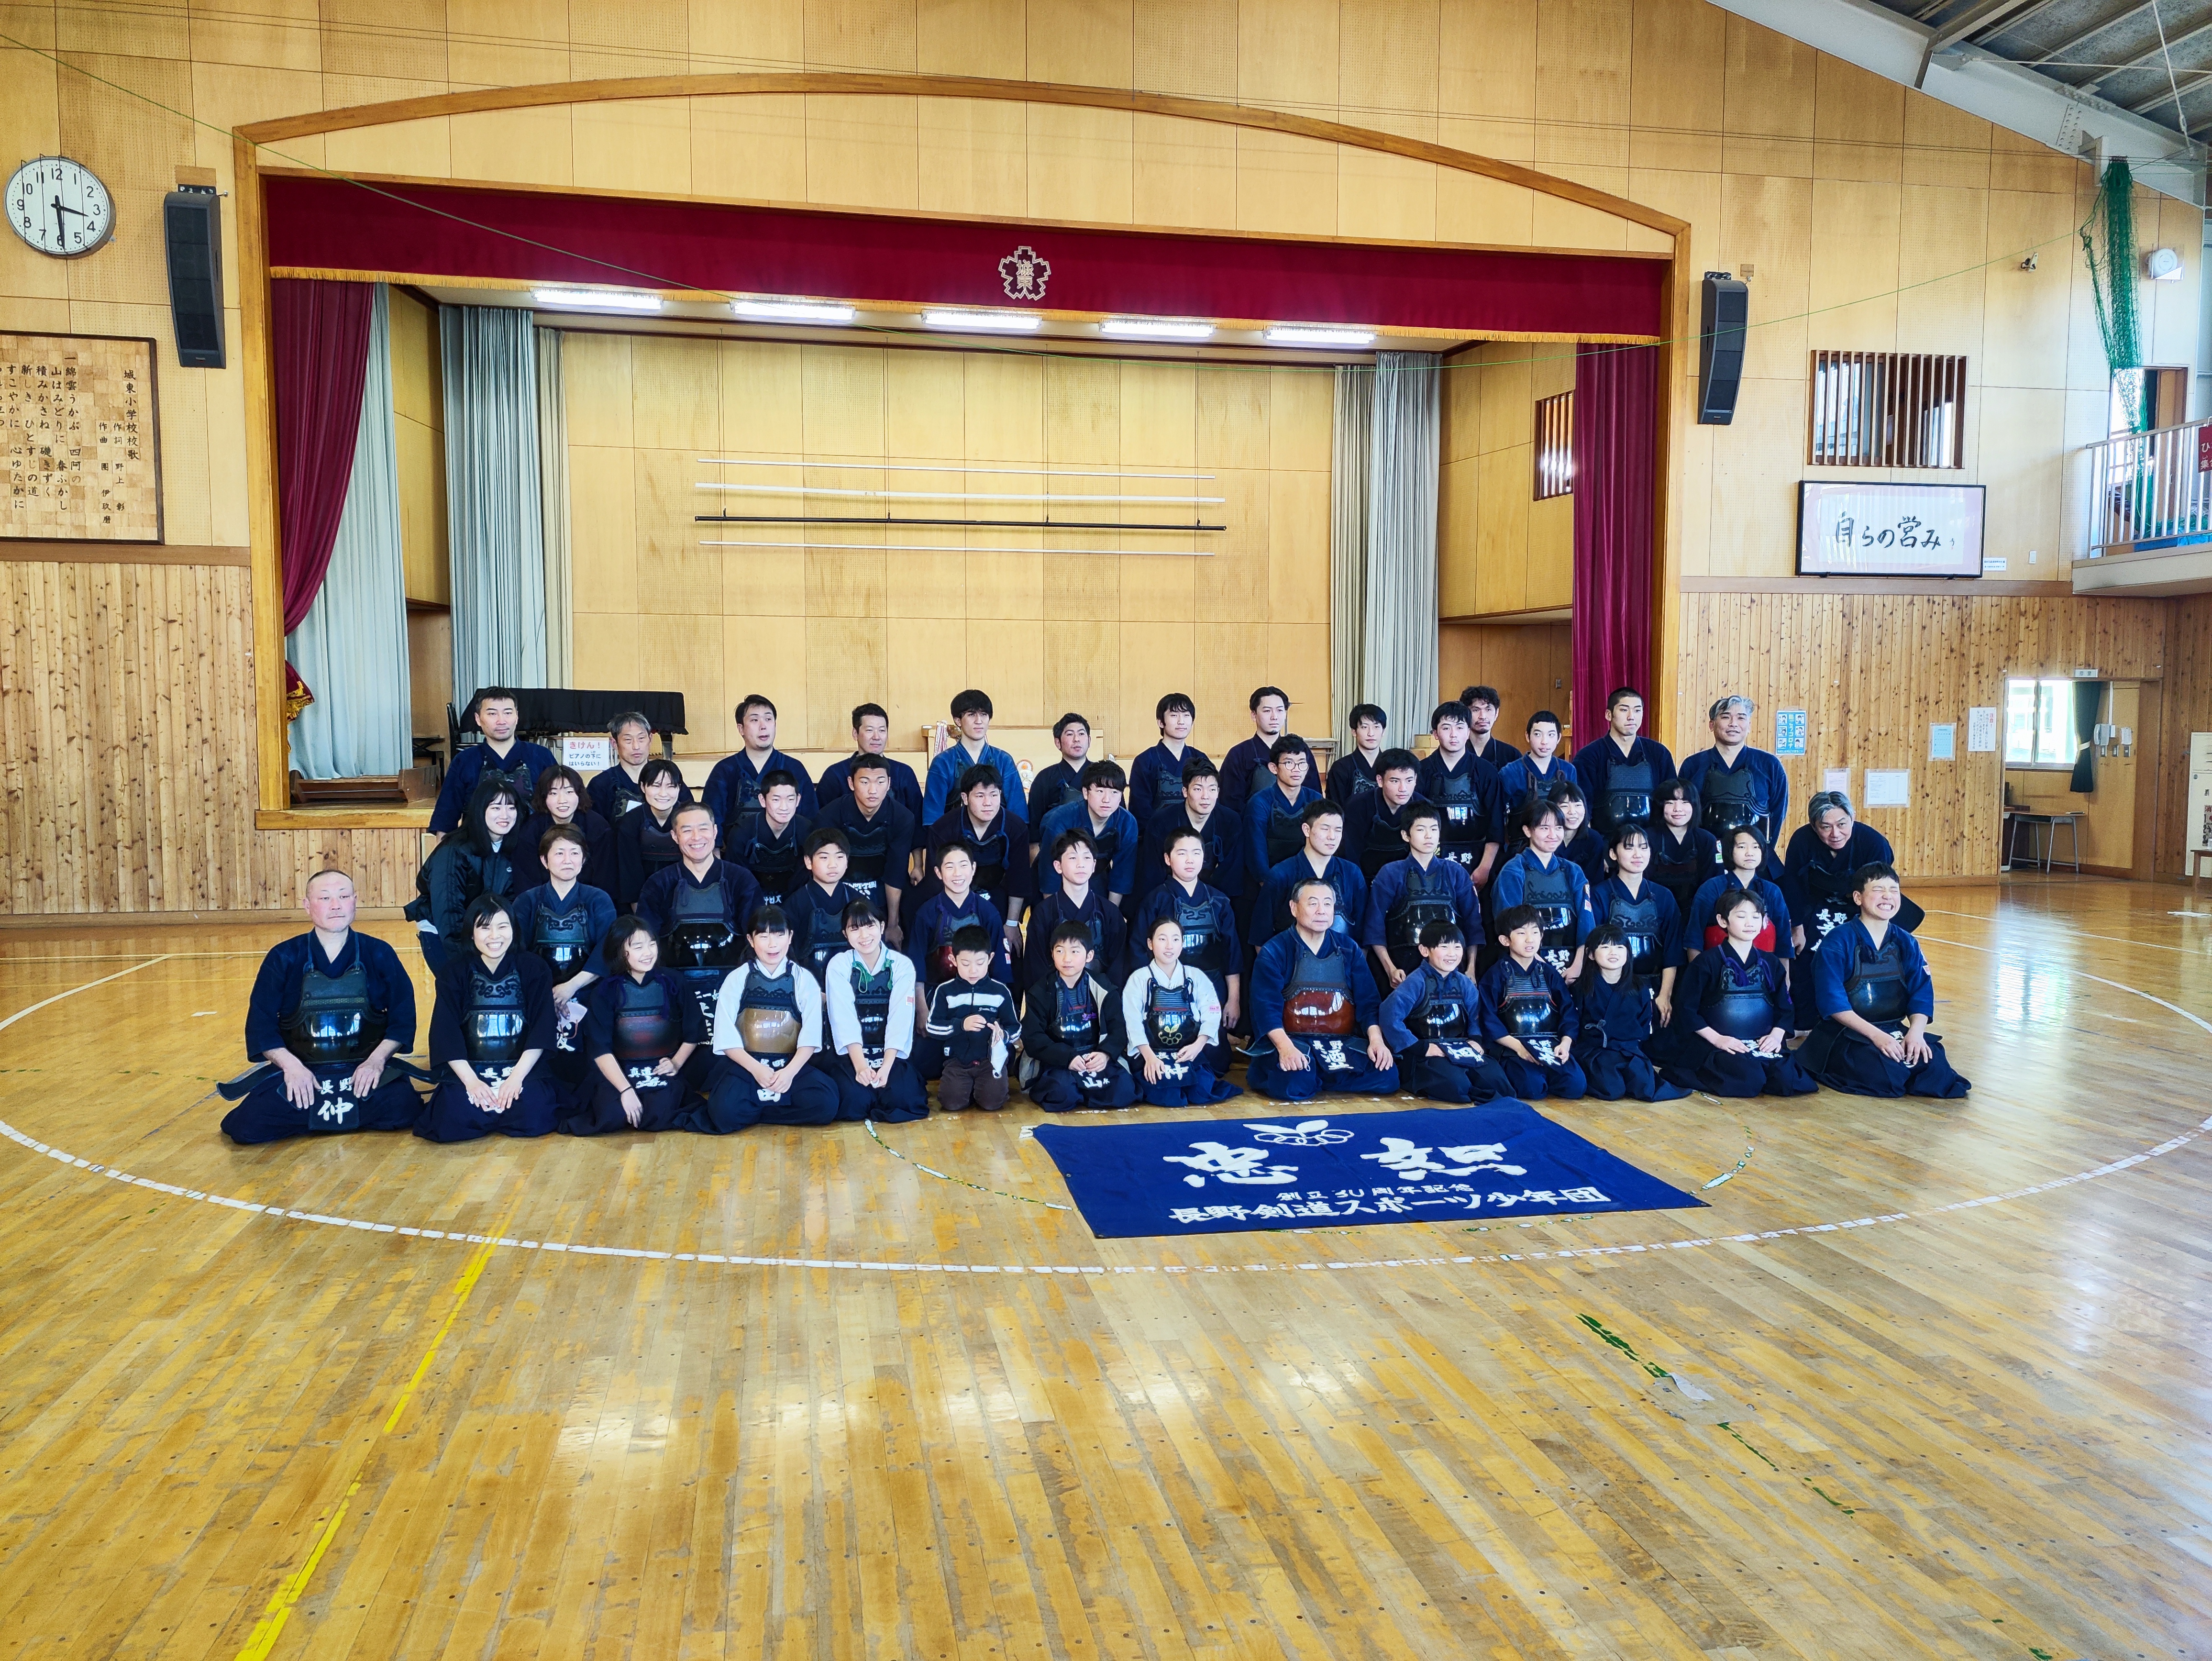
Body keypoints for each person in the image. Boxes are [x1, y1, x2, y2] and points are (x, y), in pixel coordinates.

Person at [220, 868, 423, 1144]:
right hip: (304, 1073)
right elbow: (261, 1025)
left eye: (344, 896)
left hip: (362, 1072)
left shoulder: (380, 952)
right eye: (325, 898)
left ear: (355, 900)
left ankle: (311, 1118)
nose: (336, 905)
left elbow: (403, 1020)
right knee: (248, 1127)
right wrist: (291, 1068)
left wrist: (376, 1062)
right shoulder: (283, 957)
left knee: (404, 1109)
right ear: (307, 905)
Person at [1799, 864, 1970, 1098]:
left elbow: (1921, 992)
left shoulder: (1906, 941)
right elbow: (1834, 1003)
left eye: (1894, 890)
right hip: (1847, 1034)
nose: (1888, 896)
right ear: (1858, 898)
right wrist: (1877, 1037)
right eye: (1878, 889)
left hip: (1892, 1029)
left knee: (1936, 1069)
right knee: (1887, 1075)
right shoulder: (1837, 942)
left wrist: (1916, 1034)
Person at [676, 905, 841, 1131]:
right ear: (751, 941)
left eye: (779, 935)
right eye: (764, 937)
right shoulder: (737, 979)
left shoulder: (803, 979)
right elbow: (727, 1039)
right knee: (723, 1112)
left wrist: (789, 1073)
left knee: (826, 1103)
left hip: (789, 1065)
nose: (772, 945)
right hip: (747, 1066)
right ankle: (771, 1108)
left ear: (790, 937)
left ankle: (757, 1111)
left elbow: (810, 1038)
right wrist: (757, 1070)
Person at [416, 894, 561, 1141]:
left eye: (503, 926)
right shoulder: (454, 972)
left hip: (522, 1069)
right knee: (453, 1118)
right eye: (485, 928)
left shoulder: (534, 968)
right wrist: (472, 1083)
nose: (495, 936)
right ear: (471, 933)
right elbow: (446, 1031)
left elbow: (542, 1027)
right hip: (471, 1069)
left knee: (533, 1115)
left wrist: (515, 1079)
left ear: (514, 930)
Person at [1246, 879, 1400, 1101]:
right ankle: (1321, 1077)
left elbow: (1369, 1002)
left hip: (1338, 1044)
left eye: (1328, 904)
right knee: (1293, 1083)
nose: (1322, 911)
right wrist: (1286, 1048)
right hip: (1293, 1040)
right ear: (1294, 908)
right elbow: (1265, 1008)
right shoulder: (1275, 950)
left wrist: (1377, 1041)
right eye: (1313, 904)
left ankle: (1318, 1076)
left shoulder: (1349, 949)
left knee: (1388, 1075)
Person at [1782, 791, 1921, 1030]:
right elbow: (1793, 886)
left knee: (1864, 955)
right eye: (1825, 827)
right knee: (1803, 953)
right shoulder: (1802, 841)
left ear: (1853, 818)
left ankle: (1867, 1017)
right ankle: (1805, 1022)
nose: (1835, 834)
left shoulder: (1873, 843)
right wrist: (1797, 928)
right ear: (1814, 826)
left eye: (1842, 824)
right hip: (1816, 903)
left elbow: (1880, 889)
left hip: (1860, 907)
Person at [1661, 889, 1816, 1098]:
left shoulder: (1771, 963)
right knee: (1749, 1080)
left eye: (1756, 917)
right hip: (1718, 1042)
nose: (1750, 923)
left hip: (1760, 1040)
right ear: (1723, 921)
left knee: (1790, 1082)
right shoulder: (1706, 963)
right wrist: (1718, 1040)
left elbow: (1785, 1007)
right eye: (1741, 916)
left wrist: (1777, 1035)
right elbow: (1686, 1010)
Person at [562, 916, 708, 1135]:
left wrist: (676, 1064)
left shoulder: (674, 982)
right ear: (621, 951)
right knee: (613, 1114)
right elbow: (600, 1049)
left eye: (651, 944)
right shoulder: (604, 992)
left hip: (660, 1067)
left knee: (658, 1114)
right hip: (619, 1070)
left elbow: (693, 1031)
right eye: (638, 947)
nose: (648, 952)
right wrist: (626, 1090)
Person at [508, 823, 617, 1111]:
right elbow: (518, 953)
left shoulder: (598, 899)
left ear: (584, 859)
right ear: (544, 861)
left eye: (574, 853)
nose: (568, 860)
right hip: (541, 994)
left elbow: (608, 948)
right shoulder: (527, 901)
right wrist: (547, 993)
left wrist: (572, 987)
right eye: (559, 854)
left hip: (588, 989)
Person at [634, 803, 763, 1026]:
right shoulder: (659, 883)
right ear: (675, 836)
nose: (696, 838)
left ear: (715, 831)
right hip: (675, 987)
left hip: (732, 986)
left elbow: (759, 937)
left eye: (703, 829)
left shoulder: (741, 880)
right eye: (687, 831)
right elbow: (645, 942)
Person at [1379, 920, 1515, 1105]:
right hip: (1427, 1053)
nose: (1452, 954)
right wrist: (1423, 1048)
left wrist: (1475, 1039)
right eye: (1444, 947)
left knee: (1500, 1085)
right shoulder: (1416, 982)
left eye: (1458, 947)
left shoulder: (1464, 982)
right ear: (1425, 951)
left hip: (1460, 1048)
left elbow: (1477, 1015)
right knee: (1457, 1086)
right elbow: (1390, 1017)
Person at [1124, 828, 1241, 1036]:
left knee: (1217, 1060)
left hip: (1211, 989)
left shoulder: (1220, 901)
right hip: (1164, 992)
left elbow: (1232, 954)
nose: (1190, 860)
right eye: (1182, 853)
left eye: (1196, 853)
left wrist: (1234, 999)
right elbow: (1138, 952)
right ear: (1168, 859)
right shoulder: (1155, 900)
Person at [821, 901, 929, 1122]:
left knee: (903, 1099)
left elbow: (901, 1019)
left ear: (882, 927)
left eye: (870, 926)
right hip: (853, 1056)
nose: (864, 935)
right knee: (853, 1101)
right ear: (845, 934)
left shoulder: (901, 965)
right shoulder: (839, 965)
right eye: (855, 928)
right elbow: (843, 1018)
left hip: (891, 1054)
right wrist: (861, 1067)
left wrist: (886, 1068)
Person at [1022, 921, 1139, 1110]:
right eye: (1060, 951)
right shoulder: (1041, 991)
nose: (1067, 958)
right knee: (1061, 1093)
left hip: (1094, 1058)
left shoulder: (1104, 988)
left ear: (1089, 956)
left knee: (1124, 1089)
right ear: (1052, 954)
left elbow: (1119, 1029)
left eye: (1075, 951)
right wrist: (1068, 1058)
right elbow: (1033, 1038)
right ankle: (1081, 1093)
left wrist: (1105, 1054)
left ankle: (1084, 1093)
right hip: (1059, 1062)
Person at [1362, 803, 1482, 988]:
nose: (1429, 836)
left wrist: (1471, 968)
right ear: (1405, 835)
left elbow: (1473, 923)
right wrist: (1390, 969)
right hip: (1404, 966)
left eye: (1434, 829)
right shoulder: (1391, 873)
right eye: (1421, 829)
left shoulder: (1456, 872)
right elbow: (1374, 926)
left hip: (1452, 967)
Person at [1122, 915, 1239, 1106]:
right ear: (1150, 944)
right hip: (1151, 1053)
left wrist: (1197, 1046)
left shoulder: (1196, 977)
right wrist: (1150, 1057)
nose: (1170, 946)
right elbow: (1132, 1022)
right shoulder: (1139, 979)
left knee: (1201, 1092)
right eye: (1162, 939)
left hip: (1187, 1051)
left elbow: (1212, 1014)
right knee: (1168, 1096)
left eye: (1176, 939)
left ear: (1182, 944)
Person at [407, 778, 519, 973]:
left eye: (511, 807)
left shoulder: (512, 848)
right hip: (444, 935)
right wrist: (469, 963)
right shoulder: (453, 851)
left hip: (487, 935)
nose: (505, 815)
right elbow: (449, 914)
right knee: (458, 993)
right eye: (496, 808)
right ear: (479, 811)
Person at [917, 765, 1029, 956]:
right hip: (953, 899)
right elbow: (935, 881)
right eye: (980, 796)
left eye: (994, 795)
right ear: (965, 798)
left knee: (1010, 952)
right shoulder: (944, 829)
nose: (988, 803)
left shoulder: (1015, 827)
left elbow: (1019, 878)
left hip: (997, 894)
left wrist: (1011, 924)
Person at [1477, 905, 1585, 1099]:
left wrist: (1566, 1043)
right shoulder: (1496, 975)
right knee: (1533, 1088)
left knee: (1575, 1086)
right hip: (1514, 1049)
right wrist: (1519, 1047)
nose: (1530, 939)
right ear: (1505, 940)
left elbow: (1568, 1011)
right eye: (1521, 933)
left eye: (1535, 932)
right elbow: (1488, 1018)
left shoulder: (1549, 974)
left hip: (1549, 1047)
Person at [1573, 925, 1689, 1102]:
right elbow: (1575, 1022)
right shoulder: (1583, 987)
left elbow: (1644, 1024)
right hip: (1596, 1052)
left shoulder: (1639, 987)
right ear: (1591, 954)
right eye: (1605, 947)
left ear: (1628, 952)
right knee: (1612, 1090)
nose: (1614, 952)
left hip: (1627, 1050)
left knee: (1645, 1086)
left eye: (1620, 947)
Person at [1487, 798, 1596, 981]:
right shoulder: (1513, 871)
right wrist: (1541, 967)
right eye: (1545, 828)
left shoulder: (1573, 871)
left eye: (1559, 828)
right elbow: (1507, 925)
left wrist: (1578, 965)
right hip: (1526, 964)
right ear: (1527, 831)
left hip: (1572, 965)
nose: (1553, 835)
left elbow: (1587, 922)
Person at [427, 687, 558, 836]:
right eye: (492, 714)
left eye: (508, 713)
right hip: (477, 852)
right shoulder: (464, 761)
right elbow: (446, 817)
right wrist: (444, 857)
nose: (501, 721)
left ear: (517, 717)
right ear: (478, 719)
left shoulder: (541, 756)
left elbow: (559, 806)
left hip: (531, 849)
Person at [1587, 822, 1683, 1023]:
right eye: (1629, 847)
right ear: (1613, 854)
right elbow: (1593, 949)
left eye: (1643, 847)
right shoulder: (1599, 895)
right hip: (1609, 985)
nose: (1637, 854)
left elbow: (1672, 952)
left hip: (1654, 985)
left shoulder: (1664, 897)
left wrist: (1664, 995)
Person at [814, 754, 915, 943]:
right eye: (865, 782)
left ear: (889, 783)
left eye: (880, 782)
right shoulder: (829, 816)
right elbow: (824, 869)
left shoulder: (902, 817)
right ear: (851, 783)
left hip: (882, 885)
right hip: (840, 887)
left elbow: (896, 871)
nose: (873, 790)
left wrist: (893, 924)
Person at [1255, 799, 1368, 961]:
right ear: (1307, 830)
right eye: (1325, 829)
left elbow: (1362, 933)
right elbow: (1261, 936)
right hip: (1291, 969)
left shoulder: (1352, 873)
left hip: (1342, 967)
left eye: (1338, 830)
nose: (1332, 837)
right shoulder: (1281, 874)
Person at [919, 926, 1017, 1110]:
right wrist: (960, 1025)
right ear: (953, 960)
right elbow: (932, 1027)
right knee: (951, 1103)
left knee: (993, 1103)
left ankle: (984, 1088)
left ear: (991, 958)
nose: (973, 971)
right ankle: (968, 1089)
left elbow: (1016, 1027)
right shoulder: (945, 991)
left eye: (980, 963)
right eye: (966, 964)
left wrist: (1004, 1035)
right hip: (957, 1062)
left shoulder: (1000, 992)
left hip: (990, 1061)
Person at [702, 695, 817, 848]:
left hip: (790, 857)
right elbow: (711, 817)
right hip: (737, 858)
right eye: (755, 720)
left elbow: (811, 817)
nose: (763, 726)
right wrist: (714, 852)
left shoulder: (794, 768)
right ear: (741, 729)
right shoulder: (725, 770)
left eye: (768, 719)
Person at [1678, 695, 1790, 848]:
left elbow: (1777, 813)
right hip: (1703, 855)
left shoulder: (1770, 765)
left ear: (1749, 726)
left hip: (1754, 857)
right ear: (1712, 725)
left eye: (1741, 718)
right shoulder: (1693, 765)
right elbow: (1682, 812)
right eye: (1726, 717)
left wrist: (1763, 852)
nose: (1734, 724)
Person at [1020, 830, 1126, 990]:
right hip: (1054, 1003)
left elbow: (1118, 970)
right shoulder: (1044, 913)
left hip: (1100, 1001)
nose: (1081, 864)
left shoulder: (1110, 913)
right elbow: (1035, 971)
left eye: (1087, 857)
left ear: (1094, 866)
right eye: (1073, 858)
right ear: (1058, 866)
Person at [1416, 701, 1504, 886]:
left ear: (1468, 731)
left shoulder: (1486, 772)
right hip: (1431, 858)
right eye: (1446, 728)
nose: (1454, 734)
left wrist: (1485, 869)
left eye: (1460, 727)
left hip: (1477, 859)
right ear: (1435, 734)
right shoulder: (1422, 771)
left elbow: (1496, 827)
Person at [1570, 686, 1676, 835]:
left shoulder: (1659, 753)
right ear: (1609, 715)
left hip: (1651, 844)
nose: (1631, 717)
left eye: (1638, 710)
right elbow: (1582, 807)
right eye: (1624, 710)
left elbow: (1671, 801)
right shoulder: (1589, 756)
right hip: (1605, 841)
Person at [905, 842, 1010, 991]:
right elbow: (916, 964)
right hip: (935, 994)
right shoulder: (926, 913)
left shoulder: (988, 913)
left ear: (974, 868)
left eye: (963, 866)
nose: (957, 873)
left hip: (980, 995)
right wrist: (922, 1009)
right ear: (938, 872)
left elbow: (1000, 968)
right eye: (950, 867)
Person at [1138, 757, 1243, 903]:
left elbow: (1231, 875)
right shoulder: (1161, 822)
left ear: (1218, 792)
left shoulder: (1231, 821)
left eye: (1212, 789)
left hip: (1216, 899)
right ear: (1185, 791)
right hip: (1170, 897)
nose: (1206, 797)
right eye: (1198, 789)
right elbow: (1152, 875)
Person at [1035, 761, 1138, 906]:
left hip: (1096, 878)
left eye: (1114, 792)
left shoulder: (1127, 823)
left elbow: (1122, 874)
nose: (1106, 800)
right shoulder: (1061, 820)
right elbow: (1049, 872)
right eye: (1100, 791)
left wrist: (1111, 912)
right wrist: (1053, 914)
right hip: (1059, 879)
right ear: (1085, 793)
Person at [921, 689, 1027, 822]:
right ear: (958, 721)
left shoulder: (1004, 760)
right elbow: (933, 817)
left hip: (998, 836)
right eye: (972, 715)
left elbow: (1019, 813)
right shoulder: (943, 762)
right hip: (954, 838)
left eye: (984, 715)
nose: (979, 721)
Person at [1687, 827, 1792, 958]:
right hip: (1716, 968)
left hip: (1764, 968)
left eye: (1756, 847)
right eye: (1742, 847)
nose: (1750, 853)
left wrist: (1785, 978)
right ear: (1730, 851)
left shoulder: (1772, 891)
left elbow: (1784, 941)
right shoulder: (1712, 888)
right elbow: (1694, 939)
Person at [511, 764, 614, 894]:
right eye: (553, 793)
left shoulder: (598, 828)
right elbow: (526, 884)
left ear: (579, 794)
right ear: (544, 797)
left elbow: (605, 881)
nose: (562, 800)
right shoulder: (530, 830)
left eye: (569, 792)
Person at [779, 828, 863, 983]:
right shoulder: (795, 903)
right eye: (824, 858)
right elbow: (785, 954)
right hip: (807, 987)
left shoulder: (859, 902)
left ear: (847, 861)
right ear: (808, 862)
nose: (833, 865)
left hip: (853, 985)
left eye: (839, 857)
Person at [816, 702, 924, 820]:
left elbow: (918, 819)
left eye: (882, 731)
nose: (876, 737)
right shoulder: (835, 775)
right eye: (869, 730)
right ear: (855, 734)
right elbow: (822, 821)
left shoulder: (904, 773)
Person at [721, 767, 811, 903]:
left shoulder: (806, 830)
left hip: (793, 900)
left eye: (790, 799)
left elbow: (805, 877)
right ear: (762, 800)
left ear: (798, 800)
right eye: (776, 800)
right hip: (751, 899)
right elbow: (736, 877)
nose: (784, 807)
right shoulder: (742, 832)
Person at [610, 758, 688, 911]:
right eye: (656, 786)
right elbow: (630, 874)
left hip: (685, 897)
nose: (663, 793)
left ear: (679, 788)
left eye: (671, 786)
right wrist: (641, 916)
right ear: (643, 787)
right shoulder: (630, 822)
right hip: (642, 898)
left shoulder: (690, 819)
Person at [1220, 686, 1318, 805]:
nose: (1274, 717)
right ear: (1253, 715)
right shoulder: (1238, 754)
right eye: (1267, 711)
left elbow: (1315, 797)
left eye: (1280, 710)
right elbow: (1230, 804)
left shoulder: (1300, 751)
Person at [1246, 736, 1324, 879]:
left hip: (1308, 880)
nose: (1296, 770)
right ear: (1274, 768)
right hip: (1268, 881)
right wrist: (1269, 885)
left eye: (1302, 763)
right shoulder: (1260, 802)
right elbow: (1256, 853)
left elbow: (1321, 845)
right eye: (1289, 763)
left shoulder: (1316, 800)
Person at [1342, 750, 1427, 881]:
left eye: (1409, 780)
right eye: (1395, 781)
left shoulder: (1423, 807)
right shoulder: (1358, 806)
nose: (1403, 788)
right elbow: (1350, 855)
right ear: (1380, 781)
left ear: (1416, 779)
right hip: (1366, 880)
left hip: (1408, 882)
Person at [588, 710, 686, 822]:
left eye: (641, 739)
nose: (636, 746)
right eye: (628, 740)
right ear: (615, 744)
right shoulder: (601, 784)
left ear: (650, 739)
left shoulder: (670, 779)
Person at [1648, 778, 1721, 923]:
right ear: (1660, 806)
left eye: (1685, 802)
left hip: (1697, 913)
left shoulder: (1707, 840)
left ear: (1695, 805)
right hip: (1654, 912)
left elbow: (1713, 883)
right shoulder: (1647, 838)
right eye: (1670, 803)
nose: (1678, 809)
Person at [1130, 693, 1208, 824]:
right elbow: (1140, 810)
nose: (1181, 721)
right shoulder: (1145, 761)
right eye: (1174, 715)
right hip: (1158, 835)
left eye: (1186, 715)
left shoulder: (1200, 758)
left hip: (1195, 835)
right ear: (1161, 722)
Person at [1026, 712, 1094, 834]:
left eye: (1081, 734)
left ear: (1089, 740)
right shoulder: (1045, 778)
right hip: (1055, 848)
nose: (1077, 739)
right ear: (1058, 743)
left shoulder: (1103, 774)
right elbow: (1034, 830)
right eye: (1070, 734)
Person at [1497, 710, 1576, 806]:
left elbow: (1574, 805)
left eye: (1551, 735)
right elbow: (1499, 812)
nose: (1544, 742)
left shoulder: (1568, 770)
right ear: (1528, 736)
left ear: (1559, 738)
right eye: (1538, 734)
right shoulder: (1510, 772)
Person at [1327, 704, 1388, 806]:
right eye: (1365, 727)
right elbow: (1334, 808)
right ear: (1354, 732)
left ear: (1383, 731)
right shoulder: (1341, 768)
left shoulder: (1391, 766)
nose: (1371, 733)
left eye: (1376, 727)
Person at [1550, 783, 1609, 886]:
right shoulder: (1546, 838)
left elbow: (1596, 883)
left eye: (1578, 805)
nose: (1572, 812)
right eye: (1564, 806)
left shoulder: (1594, 840)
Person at [1459, 685, 1523, 771]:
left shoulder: (1511, 755)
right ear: (1465, 714)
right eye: (1476, 710)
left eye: (1488, 710)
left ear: (1497, 714)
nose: (1483, 716)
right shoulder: (1455, 753)